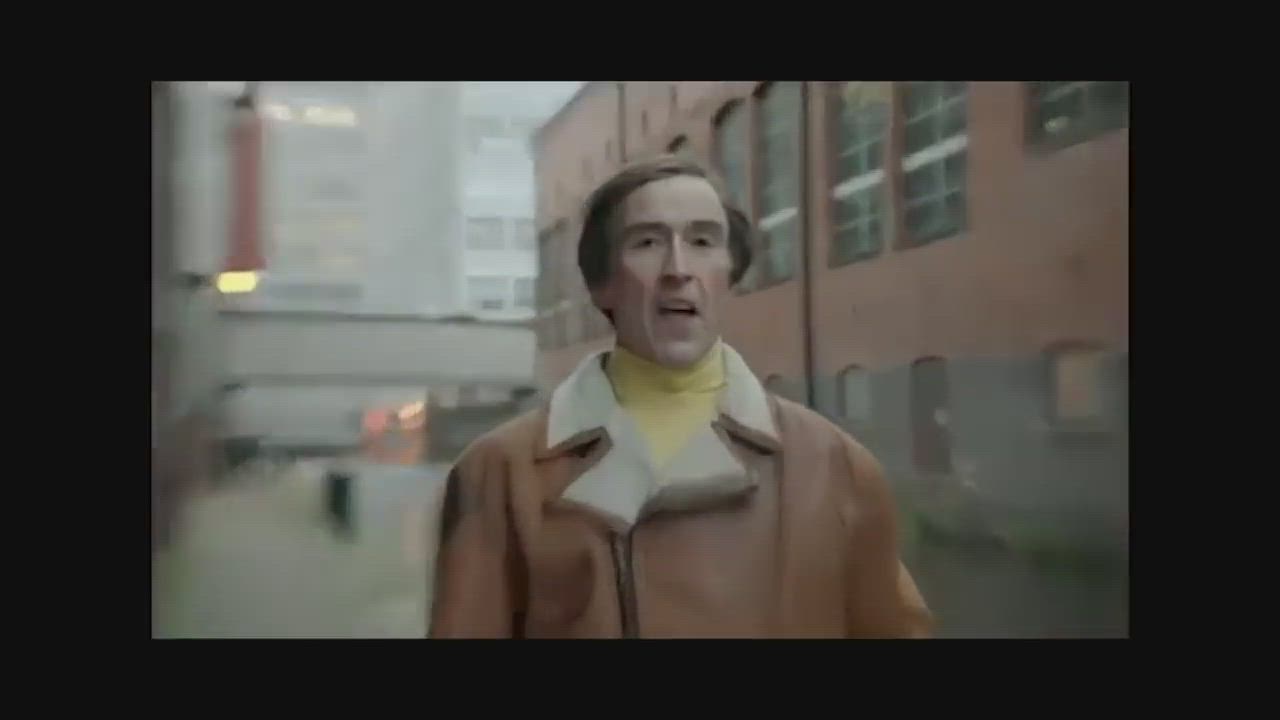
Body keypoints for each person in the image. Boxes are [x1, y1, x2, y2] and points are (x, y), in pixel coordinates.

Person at [428, 155, 932, 638]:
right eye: (647, 242)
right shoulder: (501, 472)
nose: (678, 268)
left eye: (702, 241)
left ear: (729, 276)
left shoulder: (833, 466)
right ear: (602, 286)